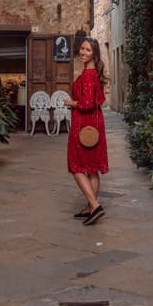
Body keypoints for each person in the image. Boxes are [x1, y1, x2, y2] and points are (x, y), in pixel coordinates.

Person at [64, 36, 109, 225]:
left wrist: (71, 103)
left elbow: (88, 104)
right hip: (93, 123)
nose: (83, 52)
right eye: (82, 49)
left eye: (88, 50)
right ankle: (90, 208)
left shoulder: (89, 75)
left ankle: (94, 204)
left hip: (84, 124)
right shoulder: (90, 74)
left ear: (95, 54)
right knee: (91, 168)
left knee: (76, 165)